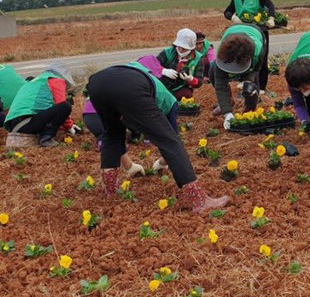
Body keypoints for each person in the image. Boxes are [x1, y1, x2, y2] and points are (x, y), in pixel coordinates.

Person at [87, 58, 228, 213]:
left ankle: (110, 193)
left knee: (112, 134)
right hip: (131, 87)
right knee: (171, 142)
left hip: (97, 83)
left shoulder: (138, 73)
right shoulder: (170, 101)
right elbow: (171, 140)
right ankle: (200, 200)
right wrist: (162, 162)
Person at [4, 60, 81, 147]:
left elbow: (47, 113)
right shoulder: (55, 80)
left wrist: (63, 126)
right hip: (26, 123)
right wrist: (69, 126)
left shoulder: (37, 81)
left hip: (16, 125)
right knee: (65, 106)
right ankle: (46, 139)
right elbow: (61, 103)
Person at [223, 0, 276, 93]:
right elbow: (227, 11)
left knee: (261, 57)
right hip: (244, 30)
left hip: (259, 30)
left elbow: (270, 5)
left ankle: (261, 86)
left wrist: (271, 18)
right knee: (243, 54)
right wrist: (233, 17)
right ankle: (244, 81)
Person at [210, 23, 267, 130]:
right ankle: (227, 103)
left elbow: (256, 70)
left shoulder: (258, 51)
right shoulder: (223, 52)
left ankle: (250, 110)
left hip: (255, 31)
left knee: (250, 87)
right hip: (232, 31)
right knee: (212, 70)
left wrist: (248, 81)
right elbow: (220, 85)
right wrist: (227, 113)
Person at [156, 28, 205, 100]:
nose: (181, 51)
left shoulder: (198, 59)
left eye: (184, 48)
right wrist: (163, 71)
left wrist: (190, 79)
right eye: (179, 47)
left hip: (181, 87)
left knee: (186, 95)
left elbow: (199, 82)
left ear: (191, 48)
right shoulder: (168, 52)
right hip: (162, 84)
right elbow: (151, 65)